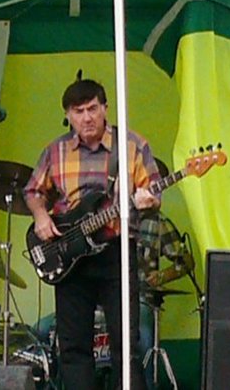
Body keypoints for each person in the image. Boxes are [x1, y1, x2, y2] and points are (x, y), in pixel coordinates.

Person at [24, 75, 159, 390]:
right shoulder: (55, 151)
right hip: (71, 257)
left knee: (126, 346)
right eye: (78, 111)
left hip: (116, 251)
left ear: (105, 109)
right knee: (73, 348)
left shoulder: (132, 145)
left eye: (92, 109)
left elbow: (152, 194)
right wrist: (41, 216)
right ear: (69, 115)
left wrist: (148, 200)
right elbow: (32, 190)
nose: (86, 117)